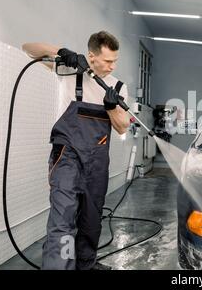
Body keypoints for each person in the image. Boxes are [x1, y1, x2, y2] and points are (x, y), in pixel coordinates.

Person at [22, 31, 130, 270]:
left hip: (97, 161)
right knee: (63, 218)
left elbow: (122, 128)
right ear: (91, 57)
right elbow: (28, 47)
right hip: (67, 156)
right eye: (108, 60)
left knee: (91, 220)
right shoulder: (69, 73)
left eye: (115, 60)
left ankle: (85, 264)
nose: (113, 66)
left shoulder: (119, 86)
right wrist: (61, 53)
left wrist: (111, 107)